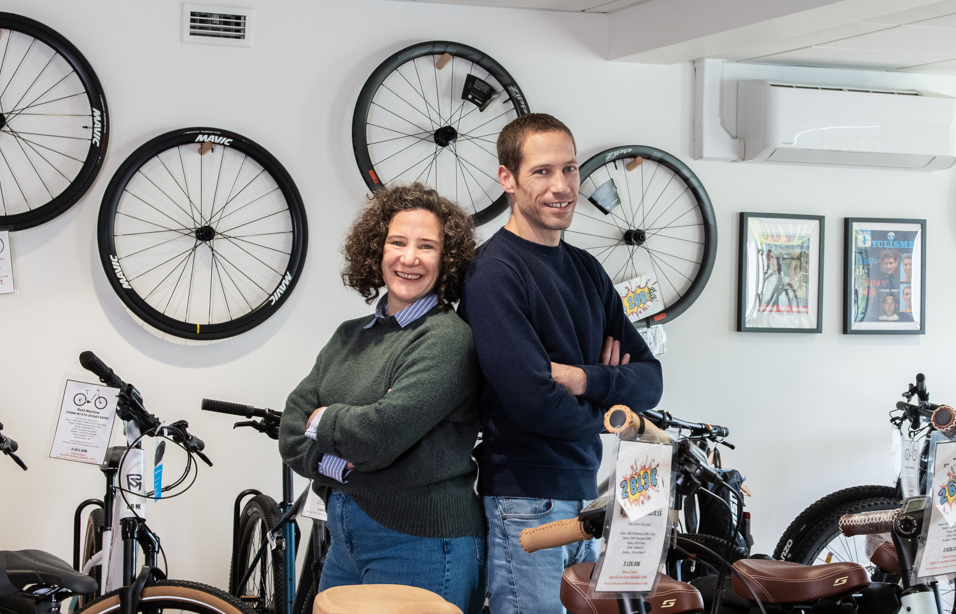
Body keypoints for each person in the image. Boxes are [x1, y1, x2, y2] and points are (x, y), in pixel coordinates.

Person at [458, 114, 664, 614]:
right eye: (542, 171)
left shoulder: (586, 269)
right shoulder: (494, 273)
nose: (561, 186)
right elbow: (535, 405)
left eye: (569, 169)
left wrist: (580, 378)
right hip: (525, 501)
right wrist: (611, 408)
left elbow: (651, 380)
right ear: (507, 178)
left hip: (584, 496)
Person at [278, 183, 484, 613]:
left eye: (427, 246)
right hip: (344, 543)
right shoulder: (349, 336)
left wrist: (325, 420)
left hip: (422, 544)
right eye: (398, 242)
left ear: (447, 259)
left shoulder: (446, 339)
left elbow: (378, 435)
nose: (409, 258)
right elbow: (292, 429)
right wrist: (344, 461)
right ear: (377, 249)